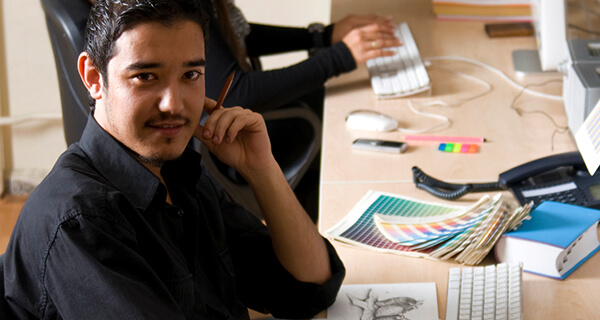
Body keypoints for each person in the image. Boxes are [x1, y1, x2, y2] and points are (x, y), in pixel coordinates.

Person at [2, 0, 345, 319]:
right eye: (146, 76)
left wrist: (262, 170)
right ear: (93, 77)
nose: (174, 104)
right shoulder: (80, 222)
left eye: (190, 75)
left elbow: (310, 287)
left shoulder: (179, 174)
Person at [205, 0, 401, 114]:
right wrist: (340, 57)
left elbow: (237, 37)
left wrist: (321, 36)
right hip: (239, 146)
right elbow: (232, 95)